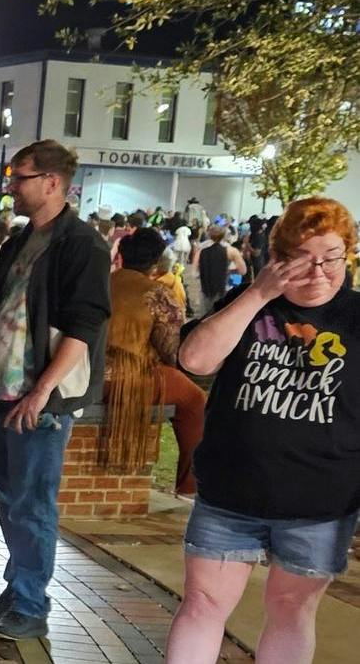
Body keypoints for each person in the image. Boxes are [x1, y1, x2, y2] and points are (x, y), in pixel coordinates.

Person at [166, 197, 360, 664]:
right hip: (229, 495)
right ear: (278, 259)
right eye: (304, 259)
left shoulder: (355, 317)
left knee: (292, 610)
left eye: (331, 257)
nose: (318, 272)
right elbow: (195, 361)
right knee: (202, 604)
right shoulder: (249, 305)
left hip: (320, 501)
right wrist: (258, 293)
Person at [0, 139, 111, 642]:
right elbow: (2, 313)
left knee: (32, 502)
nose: (11, 188)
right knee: (10, 499)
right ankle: (18, 589)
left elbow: (85, 325)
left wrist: (42, 391)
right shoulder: (18, 242)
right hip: (2, 392)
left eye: (20, 177)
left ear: (52, 181)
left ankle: (31, 603)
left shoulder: (81, 245)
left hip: (39, 401)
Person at [104, 227, 203, 497]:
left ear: (121, 255)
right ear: (156, 261)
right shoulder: (158, 294)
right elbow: (173, 352)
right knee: (196, 402)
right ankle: (189, 487)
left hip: (84, 371)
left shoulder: (102, 282)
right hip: (127, 376)